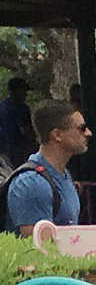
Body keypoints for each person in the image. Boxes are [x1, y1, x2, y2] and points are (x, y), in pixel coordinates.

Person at [3, 100, 87, 235]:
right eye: (81, 128)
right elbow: (38, 250)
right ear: (57, 135)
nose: (88, 133)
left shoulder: (62, 174)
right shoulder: (31, 183)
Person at [0, 78, 32, 165]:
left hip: (17, 149)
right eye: (23, 91)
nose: (26, 94)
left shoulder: (23, 108)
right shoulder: (7, 109)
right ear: (15, 91)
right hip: (11, 150)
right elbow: (26, 130)